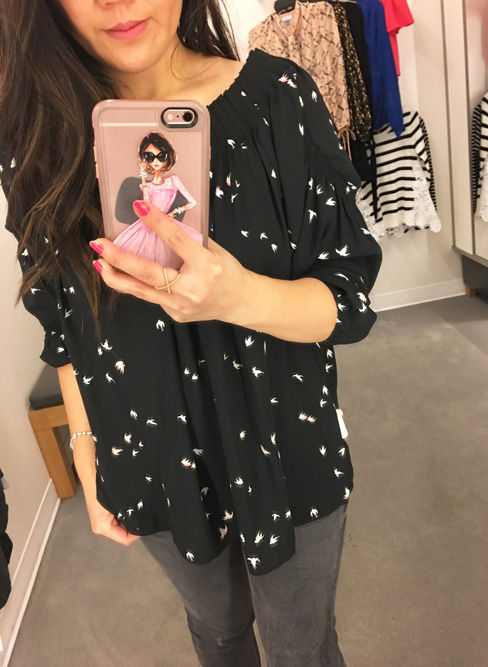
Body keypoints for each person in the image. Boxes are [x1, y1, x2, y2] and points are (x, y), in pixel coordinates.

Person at [0, 1, 382, 666]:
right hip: (150, 458)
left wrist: (238, 295)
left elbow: (345, 300)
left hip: (285, 446)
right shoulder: (38, 141)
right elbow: (67, 329)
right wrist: (87, 453)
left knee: (302, 647)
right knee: (217, 632)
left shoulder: (278, 99)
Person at [114, 131, 202, 267]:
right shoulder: (148, 186)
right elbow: (146, 203)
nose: (156, 161)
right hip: (146, 226)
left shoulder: (173, 181)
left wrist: (174, 212)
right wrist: (143, 176)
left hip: (167, 223)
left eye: (161, 156)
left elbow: (193, 202)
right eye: (150, 156)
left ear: (168, 156)